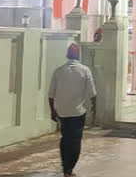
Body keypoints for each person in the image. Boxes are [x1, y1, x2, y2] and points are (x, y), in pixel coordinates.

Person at [48, 43, 97, 177]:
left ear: (67, 55)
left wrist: (52, 111)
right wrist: (94, 108)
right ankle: (69, 168)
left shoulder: (58, 71)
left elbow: (51, 94)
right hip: (78, 112)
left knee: (65, 139)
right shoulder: (85, 70)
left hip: (62, 112)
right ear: (78, 55)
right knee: (75, 140)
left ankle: (65, 167)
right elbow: (93, 93)